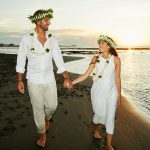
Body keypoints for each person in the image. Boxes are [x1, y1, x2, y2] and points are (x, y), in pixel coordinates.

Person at [16, 9, 72, 147]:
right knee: (38, 109)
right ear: (38, 21)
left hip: (49, 79)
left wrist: (66, 77)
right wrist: (19, 80)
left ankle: (47, 118)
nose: (49, 23)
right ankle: (42, 134)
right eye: (47, 20)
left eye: (49, 20)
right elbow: (21, 59)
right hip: (33, 80)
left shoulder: (52, 40)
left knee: (52, 106)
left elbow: (59, 59)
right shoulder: (26, 38)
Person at [71, 35, 121, 150]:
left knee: (110, 117)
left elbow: (118, 78)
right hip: (97, 91)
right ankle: (96, 129)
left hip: (112, 92)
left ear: (108, 46)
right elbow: (86, 74)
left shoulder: (116, 60)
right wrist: (72, 82)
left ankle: (108, 145)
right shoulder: (95, 59)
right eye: (100, 43)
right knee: (99, 114)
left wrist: (118, 94)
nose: (100, 45)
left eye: (103, 44)